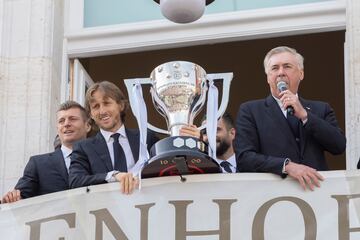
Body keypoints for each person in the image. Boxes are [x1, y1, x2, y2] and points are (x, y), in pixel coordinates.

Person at [234, 46, 346, 191]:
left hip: (318, 194)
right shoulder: (250, 111)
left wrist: (305, 115)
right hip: (272, 195)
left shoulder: (321, 109)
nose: (281, 73)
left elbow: (339, 146)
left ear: (301, 73)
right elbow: (244, 158)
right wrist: (286, 166)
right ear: (268, 77)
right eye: (274, 68)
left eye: (287, 66)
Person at [69, 81, 158, 194]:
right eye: (96, 106)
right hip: (107, 210)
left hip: (146, 207)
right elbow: (75, 181)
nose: (102, 111)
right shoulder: (83, 148)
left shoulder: (146, 138)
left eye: (106, 103)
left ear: (121, 105)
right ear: (91, 114)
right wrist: (113, 176)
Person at [1, 101, 91, 203]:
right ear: (58, 129)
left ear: (87, 126)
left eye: (72, 119)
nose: (66, 124)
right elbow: (21, 197)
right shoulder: (38, 164)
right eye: (61, 121)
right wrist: (12, 198)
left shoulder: (100, 157)